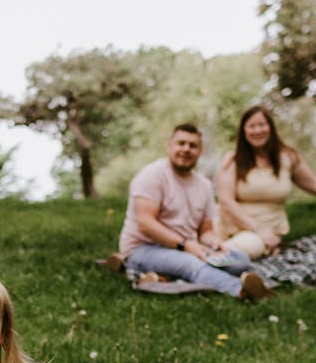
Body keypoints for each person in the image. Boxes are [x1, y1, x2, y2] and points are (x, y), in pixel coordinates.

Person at [117, 123, 273, 300]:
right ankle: (242, 291)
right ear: (169, 147)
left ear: (200, 151)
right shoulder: (151, 175)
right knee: (191, 263)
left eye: (193, 145)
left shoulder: (204, 185)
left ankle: (162, 278)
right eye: (181, 143)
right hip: (144, 249)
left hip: (184, 248)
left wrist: (214, 243)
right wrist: (185, 245)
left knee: (240, 261)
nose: (186, 149)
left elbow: (205, 231)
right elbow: (146, 224)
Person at [215, 105, 316, 259]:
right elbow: (226, 201)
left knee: (240, 251)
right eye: (252, 126)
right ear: (244, 131)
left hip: (263, 234)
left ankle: (211, 259)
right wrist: (257, 228)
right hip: (226, 226)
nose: (257, 131)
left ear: (271, 128)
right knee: (198, 243)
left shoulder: (287, 157)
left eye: (262, 125)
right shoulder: (232, 159)